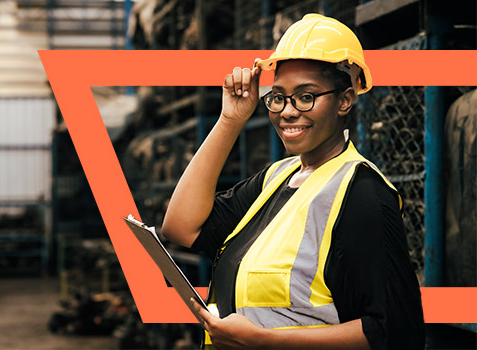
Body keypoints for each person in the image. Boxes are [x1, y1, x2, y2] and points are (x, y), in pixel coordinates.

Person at [162, 14, 425, 350]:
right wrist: (230, 119)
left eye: (306, 96)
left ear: (345, 100)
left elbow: (394, 332)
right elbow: (180, 227)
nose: (287, 111)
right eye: (278, 96)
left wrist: (265, 341)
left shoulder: (361, 195)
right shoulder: (275, 179)